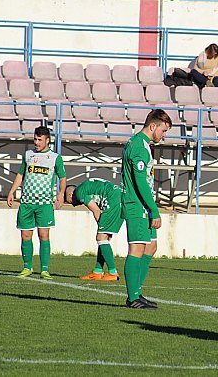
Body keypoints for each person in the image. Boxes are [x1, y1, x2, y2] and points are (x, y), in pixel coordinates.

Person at [121, 109, 172, 309]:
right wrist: (154, 209)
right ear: (153, 126)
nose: (164, 136)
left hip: (144, 206)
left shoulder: (143, 146)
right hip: (136, 205)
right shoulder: (139, 147)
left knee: (150, 246)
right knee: (136, 248)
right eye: (163, 131)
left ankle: (137, 292)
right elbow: (140, 182)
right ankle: (133, 298)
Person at [7, 126, 66, 279]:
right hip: (26, 202)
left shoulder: (55, 158)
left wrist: (60, 194)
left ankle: (44, 270)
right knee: (26, 235)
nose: (36, 142)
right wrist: (12, 191)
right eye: (35, 139)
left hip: (44, 203)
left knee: (43, 235)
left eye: (40, 139)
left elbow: (62, 177)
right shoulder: (28, 155)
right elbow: (21, 174)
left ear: (48, 140)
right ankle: (27, 267)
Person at [65, 178, 123, 281]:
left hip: (112, 200)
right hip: (117, 197)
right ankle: (97, 271)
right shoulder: (86, 187)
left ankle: (113, 272)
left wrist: (101, 227)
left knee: (101, 237)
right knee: (103, 239)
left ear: (70, 195)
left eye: (69, 201)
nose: (73, 205)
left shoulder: (79, 192)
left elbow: (96, 210)